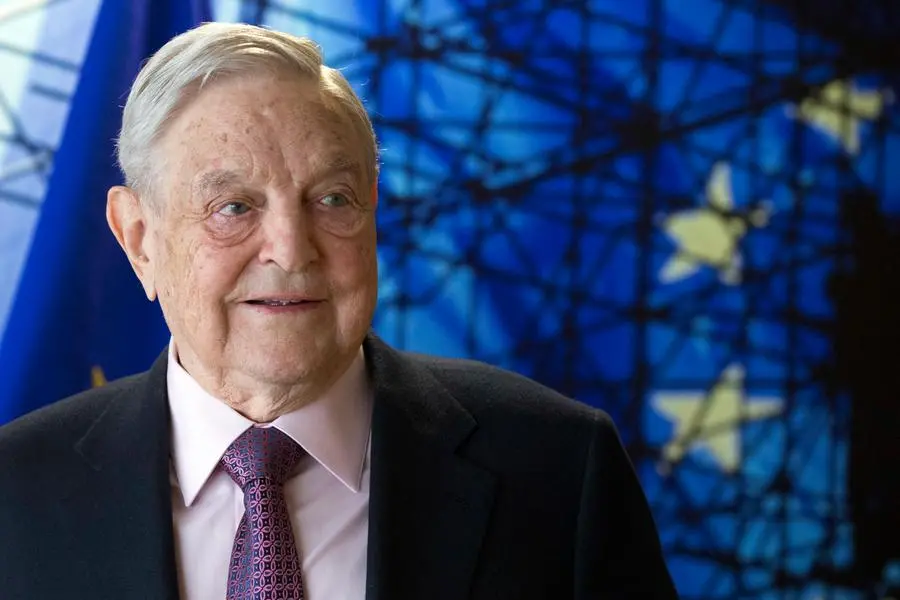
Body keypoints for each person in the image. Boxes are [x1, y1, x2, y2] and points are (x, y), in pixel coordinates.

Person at [0, 22, 678, 600]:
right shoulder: (16, 492)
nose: (292, 249)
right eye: (234, 207)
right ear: (139, 239)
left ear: (372, 209)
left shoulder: (561, 467)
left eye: (331, 199)